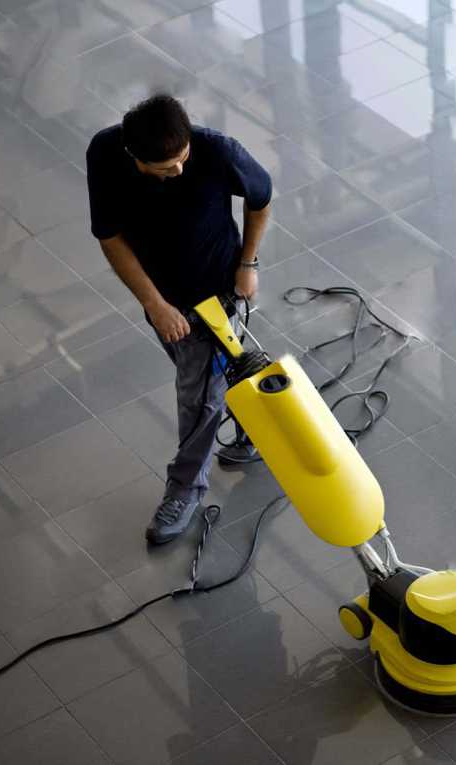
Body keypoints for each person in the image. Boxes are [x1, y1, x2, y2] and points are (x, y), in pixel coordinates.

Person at [86, 94, 272, 545]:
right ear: (134, 156)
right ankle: (256, 428)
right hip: (164, 297)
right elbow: (110, 238)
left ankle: (185, 488)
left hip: (217, 291)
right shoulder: (105, 154)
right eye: (166, 168)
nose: (179, 171)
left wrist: (248, 263)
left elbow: (261, 198)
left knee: (198, 396)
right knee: (208, 378)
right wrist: (155, 304)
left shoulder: (219, 151)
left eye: (183, 159)